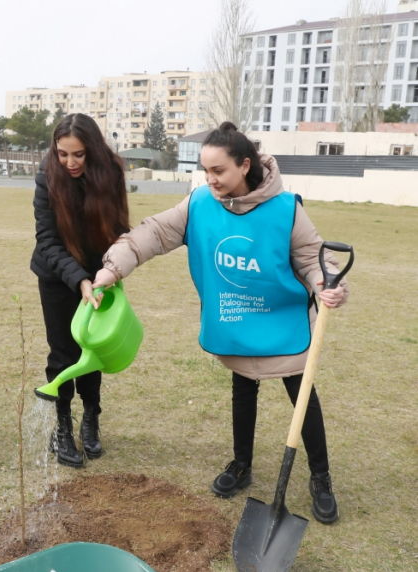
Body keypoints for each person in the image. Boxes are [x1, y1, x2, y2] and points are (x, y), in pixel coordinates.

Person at [94, 122, 349, 523]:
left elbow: (311, 257)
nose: (210, 179)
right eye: (205, 170)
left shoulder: (286, 208)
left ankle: (321, 478)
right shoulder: (198, 203)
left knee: (303, 399)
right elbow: (155, 233)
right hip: (235, 320)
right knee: (242, 392)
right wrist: (113, 268)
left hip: (283, 322)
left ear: (245, 165)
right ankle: (241, 466)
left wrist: (326, 284)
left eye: (219, 171)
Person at [31, 113, 130, 468]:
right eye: (62, 154)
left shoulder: (112, 173)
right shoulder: (47, 176)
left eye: (78, 155)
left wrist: (107, 272)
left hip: (101, 274)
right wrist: (79, 280)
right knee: (64, 353)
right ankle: (61, 426)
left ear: (93, 151)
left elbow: (120, 229)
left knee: (94, 347)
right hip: (57, 275)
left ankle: (91, 417)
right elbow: (47, 239)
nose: (69, 163)